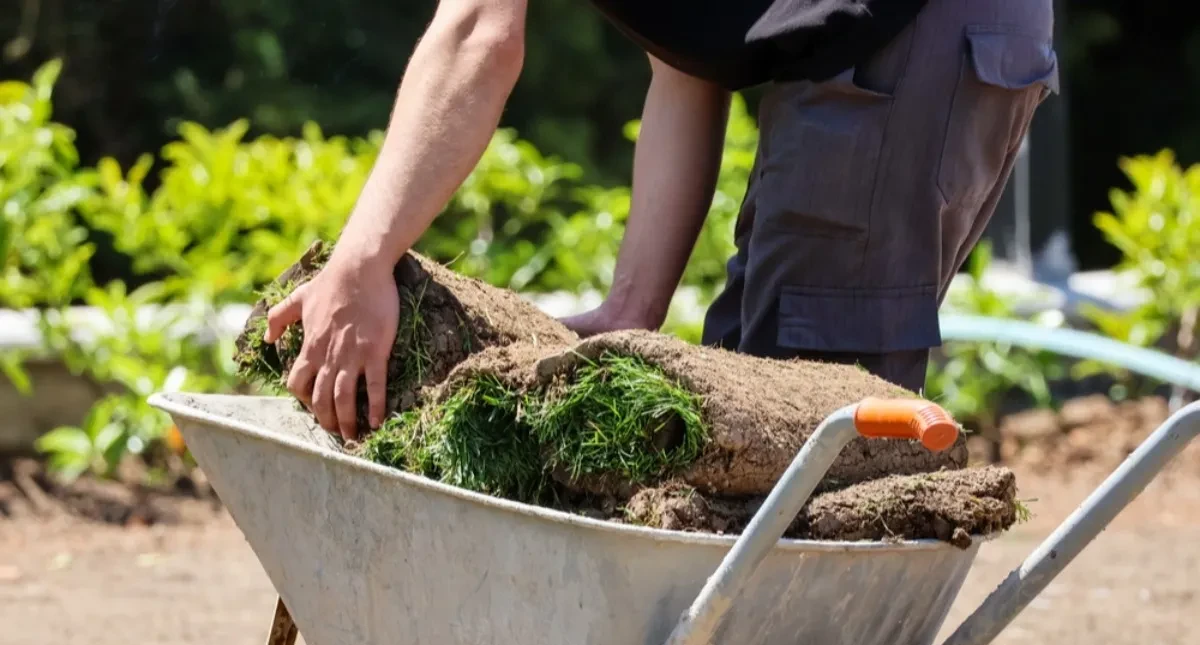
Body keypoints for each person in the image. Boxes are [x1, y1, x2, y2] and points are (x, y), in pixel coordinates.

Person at [264, 0, 1059, 440]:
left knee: (794, 438)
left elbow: (478, 32)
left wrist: (362, 262)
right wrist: (632, 309)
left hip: (910, 31)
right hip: (929, 34)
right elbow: (685, 66)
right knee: (741, 397)